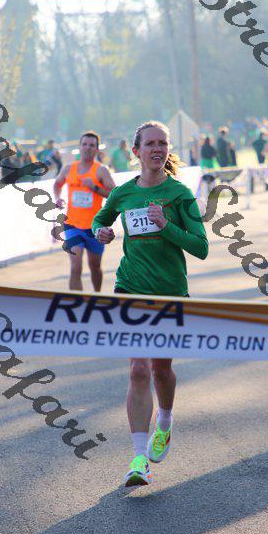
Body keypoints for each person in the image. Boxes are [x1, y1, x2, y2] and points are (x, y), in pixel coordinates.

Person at [92, 120, 208, 487]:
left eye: (163, 143)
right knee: (138, 369)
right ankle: (139, 458)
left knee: (160, 370)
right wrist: (101, 232)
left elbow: (201, 247)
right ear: (136, 151)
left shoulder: (180, 194)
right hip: (129, 289)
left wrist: (166, 226)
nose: (157, 149)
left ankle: (166, 420)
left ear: (167, 150)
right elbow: (100, 218)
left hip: (170, 293)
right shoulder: (124, 193)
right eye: (150, 144)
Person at [53, 131, 115, 292]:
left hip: (95, 227)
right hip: (72, 225)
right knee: (75, 266)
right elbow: (57, 184)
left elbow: (114, 194)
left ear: (97, 149)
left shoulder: (101, 171)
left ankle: (97, 296)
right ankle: (77, 302)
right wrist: (57, 198)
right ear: (79, 147)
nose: (87, 148)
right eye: (85, 144)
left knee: (95, 266)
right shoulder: (69, 169)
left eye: (91, 145)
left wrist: (94, 187)